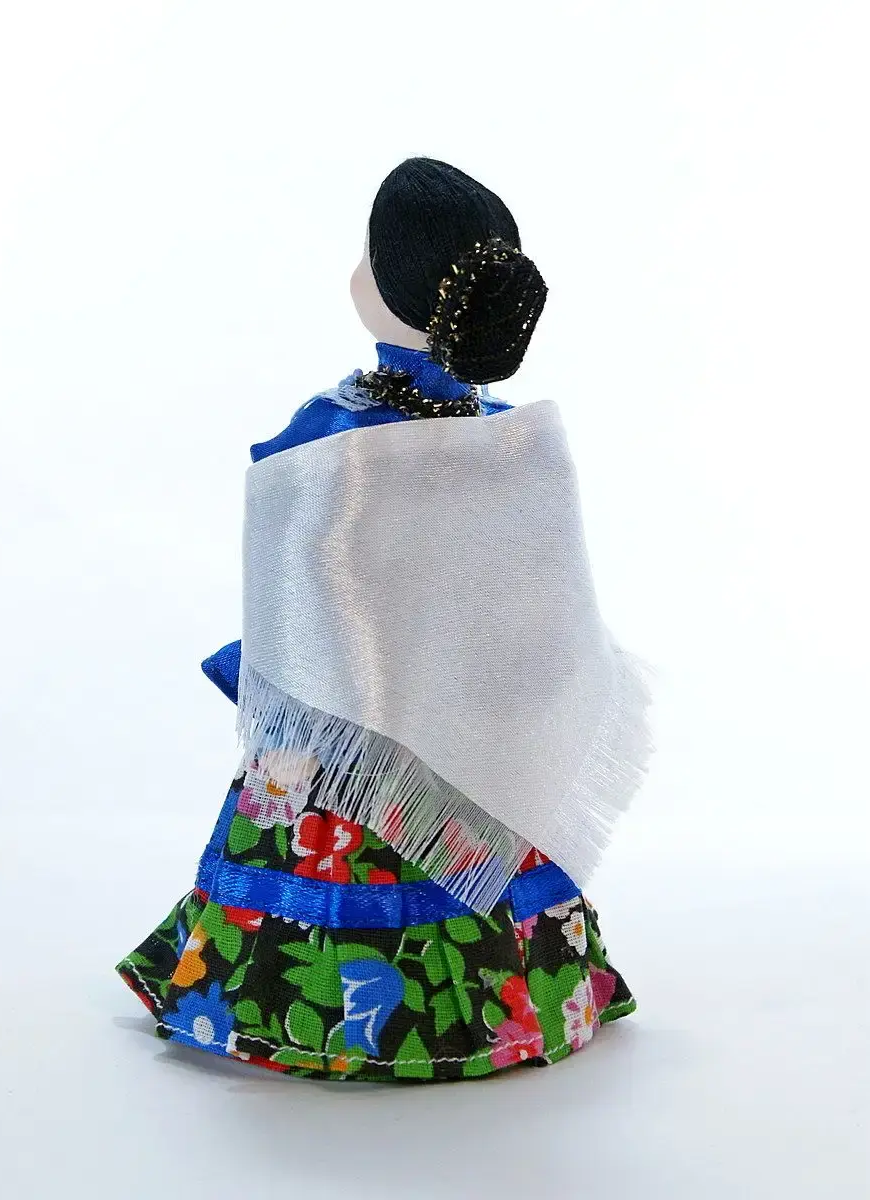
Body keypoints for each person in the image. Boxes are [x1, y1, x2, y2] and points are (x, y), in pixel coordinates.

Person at [117, 157, 651, 1082]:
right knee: (478, 840)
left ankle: (309, 1016)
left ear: (396, 287)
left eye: (369, 257)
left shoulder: (334, 434)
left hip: (343, 735)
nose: (358, 273)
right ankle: (511, 1001)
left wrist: (273, 664)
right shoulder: (514, 436)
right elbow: (539, 600)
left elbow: (299, 581)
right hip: (474, 734)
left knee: (329, 849)